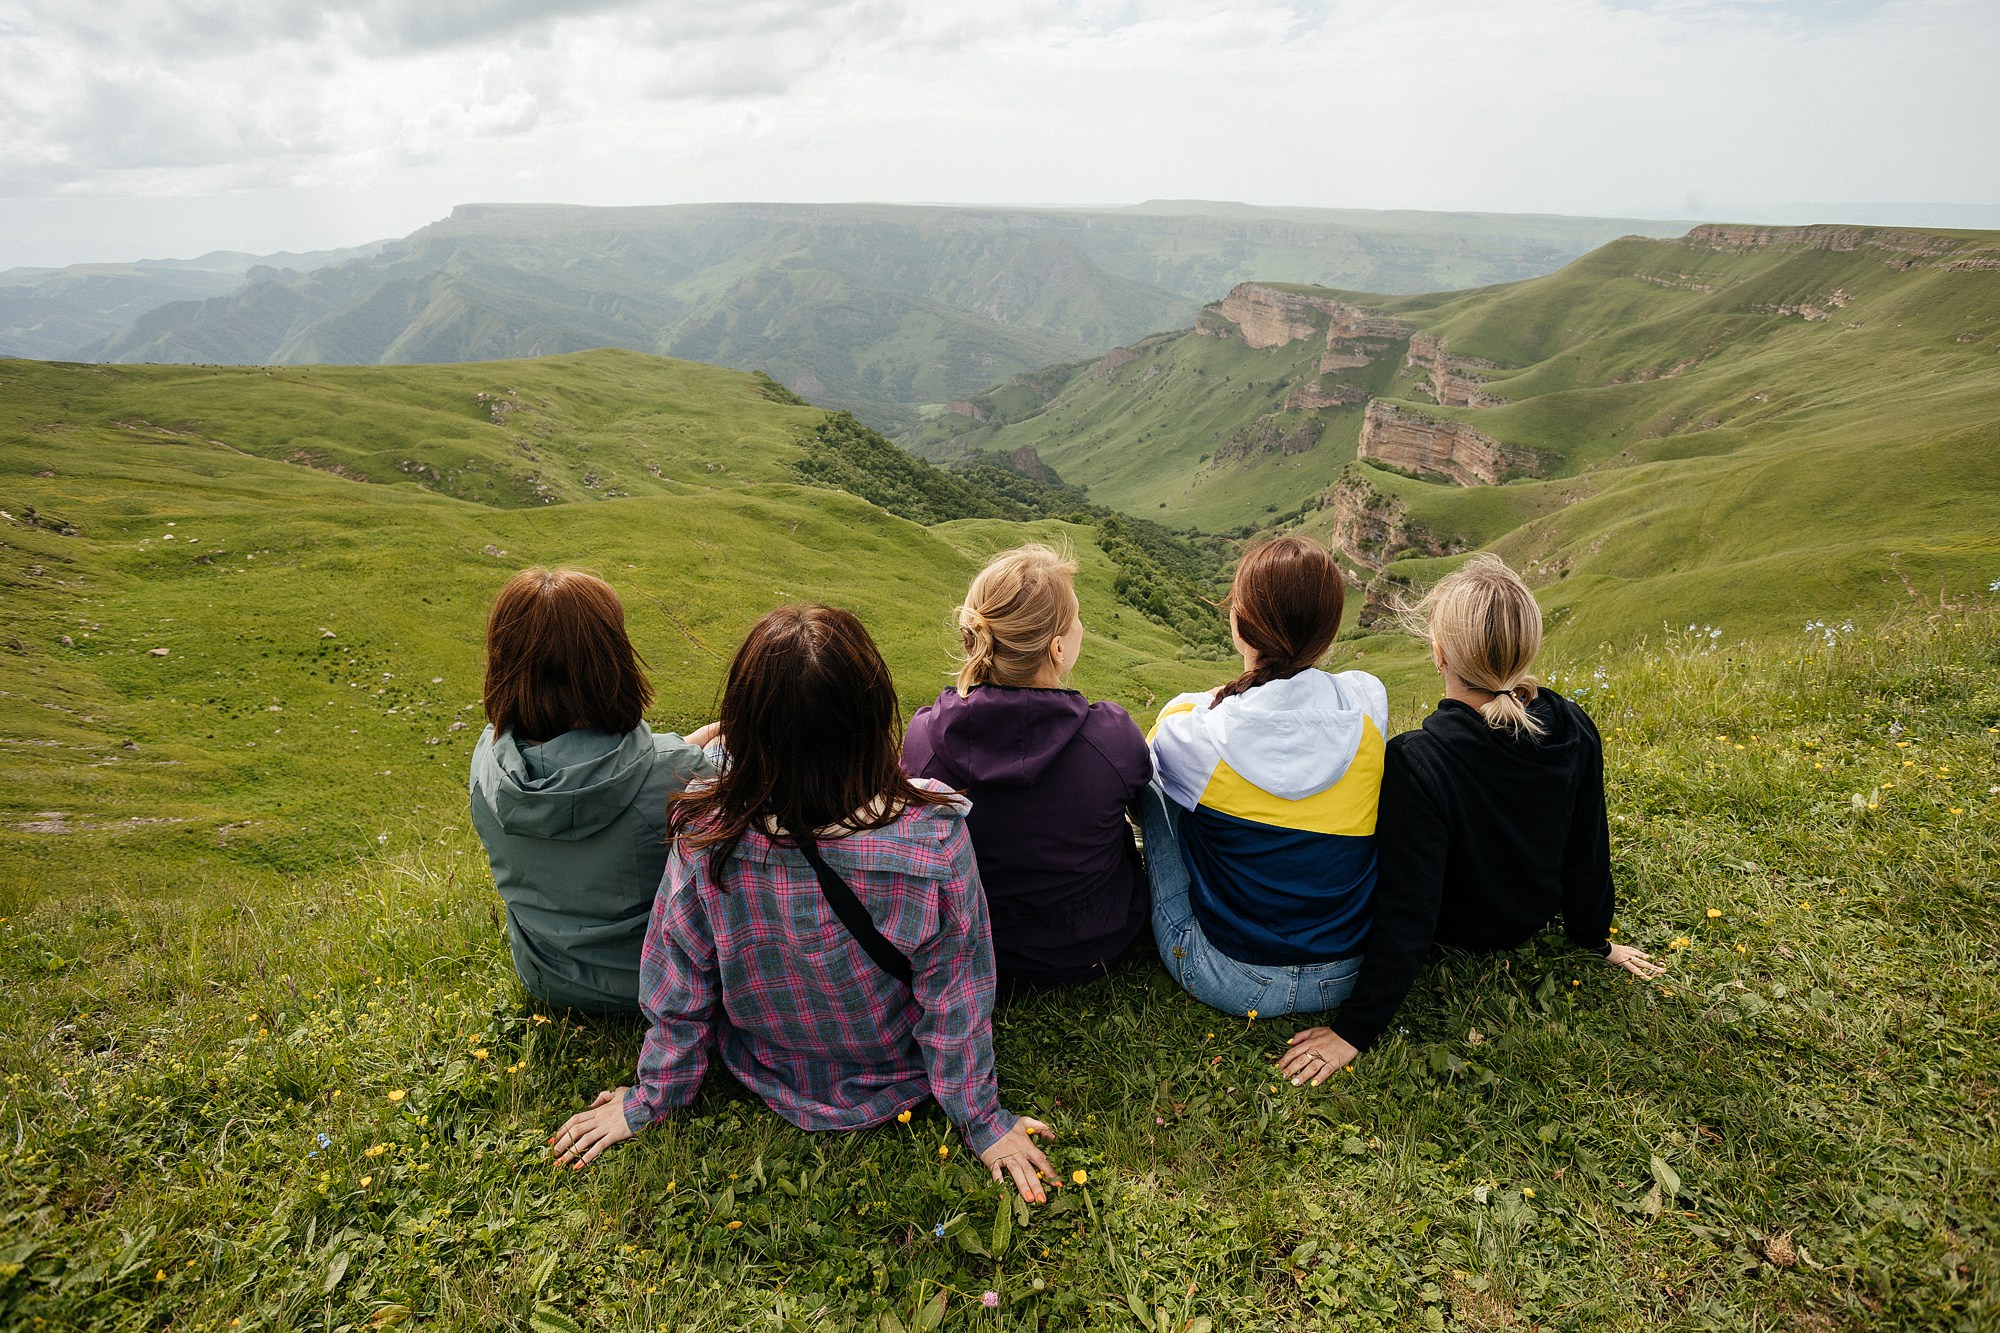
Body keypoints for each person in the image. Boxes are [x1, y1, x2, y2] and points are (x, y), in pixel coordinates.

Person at [549, 605, 1058, 1201]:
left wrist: (651, 1097)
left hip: (763, 1064)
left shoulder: (705, 836)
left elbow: (677, 984)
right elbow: (957, 992)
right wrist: (981, 1120)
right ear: (873, 721)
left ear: (744, 727)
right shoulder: (935, 835)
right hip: (896, 1070)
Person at [1279, 554, 1664, 1088]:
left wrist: (1355, 1030)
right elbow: (1587, 846)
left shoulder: (1419, 761)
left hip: (1460, 930)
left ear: (1439, 654)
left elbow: (1408, 911)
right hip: (1533, 915)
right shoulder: (1573, 724)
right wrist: (1595, 938)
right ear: (1527, 650)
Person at [1141, 535, 1388, 1019]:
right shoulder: (1367, 707)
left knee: (1152, 780)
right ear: (1329, 632)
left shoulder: (1193, 730)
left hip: (1231, 976)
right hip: (1347, 969)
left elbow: (1153, 759)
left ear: (1239, 623)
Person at [902, 544, 1151, 995]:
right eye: (1077, 621)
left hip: (981, 950)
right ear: (1057, 648)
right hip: (1096, 943)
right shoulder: (1111, 739)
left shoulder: (925, 741)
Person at [469, 568, 716, 1015]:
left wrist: (684, 746)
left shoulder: (487, 761)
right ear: (611, 660)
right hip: (656, 981)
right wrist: (702, 750)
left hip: (545, 977)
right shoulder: (673, 772)